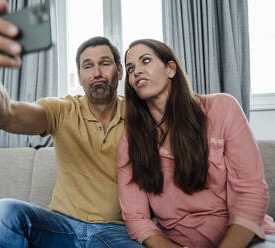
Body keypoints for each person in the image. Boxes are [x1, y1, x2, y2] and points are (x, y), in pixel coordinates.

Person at [0, 1, 144, 247]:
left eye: (104, 64)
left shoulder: (141, 115)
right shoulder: (62, 110)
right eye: (88, 66)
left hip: (115, 233)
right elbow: (3, 114)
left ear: (119, 71)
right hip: (60, 227)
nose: (96, 72)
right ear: (81, 78)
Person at [117, 38, 275, 248]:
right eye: (130, 69)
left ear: (171, 69)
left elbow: (251, 193)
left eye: (145, 61)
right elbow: (137, 219)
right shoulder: (130, 143)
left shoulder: (223, 109)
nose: (136, 71)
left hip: (246, 240)